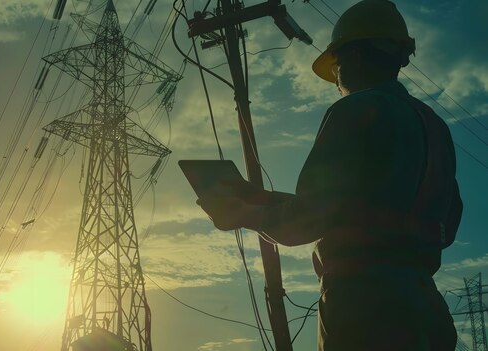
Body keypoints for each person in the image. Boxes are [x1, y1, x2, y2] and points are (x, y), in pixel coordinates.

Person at [195, 1, 462, 350]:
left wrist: (243, 214)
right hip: (425, 309)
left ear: (354, 57)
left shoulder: (354, 110)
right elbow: (440, 221)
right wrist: (262, 199)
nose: (336, 78)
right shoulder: (434, 127)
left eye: (335, 65)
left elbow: (308, 219)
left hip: (363, 308)